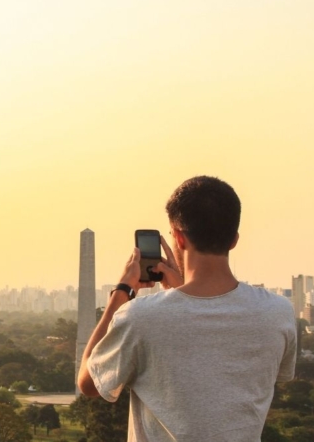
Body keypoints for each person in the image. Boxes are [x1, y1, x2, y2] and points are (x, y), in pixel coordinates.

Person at [77, 175, 297, 442]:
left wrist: (121, 293)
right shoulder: (278, 313)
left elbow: (89, 384)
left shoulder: (140, 317)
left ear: (179, 238)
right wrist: (179, 292)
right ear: (234, 239)